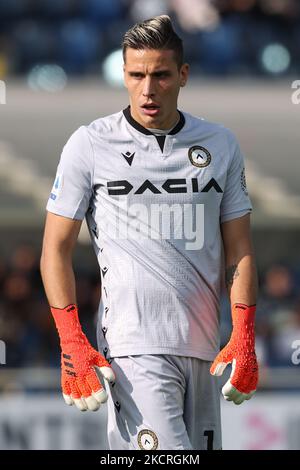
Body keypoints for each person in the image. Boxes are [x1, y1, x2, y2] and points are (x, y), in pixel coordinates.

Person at [40, 15, 258, 451]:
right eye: (136, 75)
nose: (147, 88)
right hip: (131, 345)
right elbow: (54, 250)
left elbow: (239, 250)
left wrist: (244, 335)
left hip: (203, 348)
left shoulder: (220, 143)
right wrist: (71, 341)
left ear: (183, 75)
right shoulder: (89, 144)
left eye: (160, 75)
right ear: (123, 74)